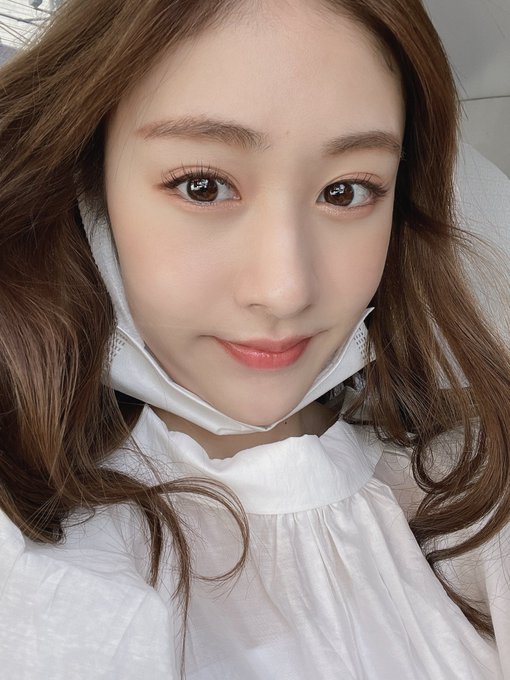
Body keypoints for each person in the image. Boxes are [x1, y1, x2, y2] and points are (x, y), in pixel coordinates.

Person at [0, 0, 509, 678]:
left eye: (346, 191)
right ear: (87, 186)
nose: (286, 289)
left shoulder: (470, 480)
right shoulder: (27, 555)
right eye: (203, 186)